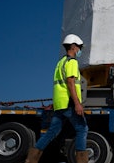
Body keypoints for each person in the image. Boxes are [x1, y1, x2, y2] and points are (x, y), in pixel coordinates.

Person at [26, 34, 89, 163]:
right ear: (72, 46)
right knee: (82, 128)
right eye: (79, 47)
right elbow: (70, 82)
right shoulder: (71, 62)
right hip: (68, 104)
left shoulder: (60, 62)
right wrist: (77, 103)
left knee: (51, 132)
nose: (79, 50)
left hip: (59, 105)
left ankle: (31, 159)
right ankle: (82, 161)